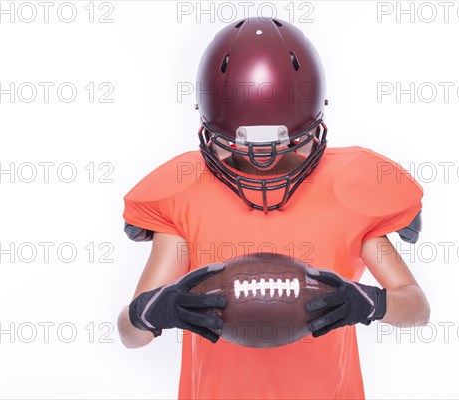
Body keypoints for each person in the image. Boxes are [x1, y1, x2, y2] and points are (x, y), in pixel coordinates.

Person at [117, 17, 430, 399]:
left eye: (281, 148)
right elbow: (131, 336)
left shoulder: (350, 192)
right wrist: (153, 311)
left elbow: (417, 308)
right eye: (241, 148)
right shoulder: (185, 194)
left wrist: (369, 303)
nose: (262, 164)